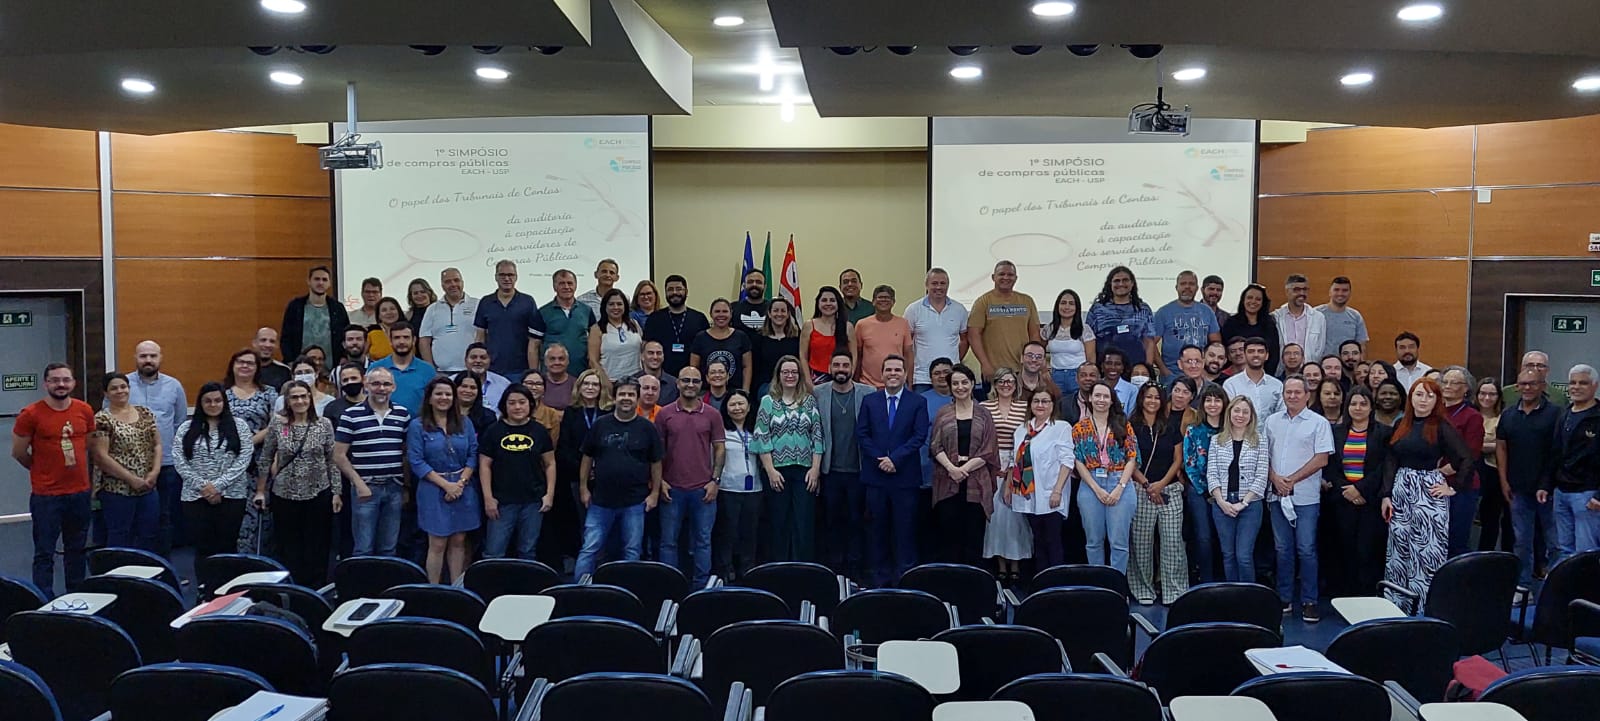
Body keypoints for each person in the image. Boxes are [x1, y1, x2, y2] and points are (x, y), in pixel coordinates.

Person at [1379, 377, 1469, 606]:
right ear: (1411, 398)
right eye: (1419, 394)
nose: (1424, 400)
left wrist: (1453, 487)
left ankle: (1423, 605)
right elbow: (1391, 459)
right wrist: (1386, 494)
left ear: (1437, 400)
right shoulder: (1401, 424)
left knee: (1426, 550)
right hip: (1401, 490)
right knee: (1399, 546)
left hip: (1428, 491)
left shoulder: (1442, 426)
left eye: (1430, 396)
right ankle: (1396, 602)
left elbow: (1466, 458)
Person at [12, 364, 95, 595]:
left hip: (79, 492)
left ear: (73, 383)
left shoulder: (85, 410)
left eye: (66, 380)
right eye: (55, 380)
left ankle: (76, 594)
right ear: (46, 384)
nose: (61, 384)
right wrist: (42, 469)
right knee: (44, 552)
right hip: (47, 496)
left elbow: (88, 443)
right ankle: (43, 598)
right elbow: (19, 452)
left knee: (77, 549)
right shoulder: (31, 414)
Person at [255, 380, 341, 587]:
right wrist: (260, 491)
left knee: (317, 545)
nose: (300, 401)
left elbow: (332, 460)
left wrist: (337, 492)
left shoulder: (324, 424)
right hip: (285, 493)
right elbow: (266, 458)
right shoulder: (278, 425)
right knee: (288, 546)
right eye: (294, 397)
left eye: (304, 396)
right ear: (287, 401)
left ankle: (316, 589)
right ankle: (293, 588)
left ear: (310, 398)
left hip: (318, 491)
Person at [855, 354, 930, 585]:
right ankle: (879, 579)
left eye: (898, 370)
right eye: (889, 370)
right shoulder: (870, 401)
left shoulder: (917, 402)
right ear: (882, 373)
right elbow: (862, 434)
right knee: (876, 530)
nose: (893, 374)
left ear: (905, 374)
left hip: (904, 477)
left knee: (904, 530)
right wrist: (880, 459)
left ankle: (905, 578)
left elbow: (919, 436)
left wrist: (894, 459)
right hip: (876, 477)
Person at [576, 379, 664, 577]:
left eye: (631, 395)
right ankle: (579, 589)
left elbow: (656, 462)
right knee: (590, 548)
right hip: (600, 501)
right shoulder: (600, 425)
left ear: (637, 398)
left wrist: (655, 493)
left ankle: (627, 590)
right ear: (614, 398)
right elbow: (587, 457)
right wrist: (583, 488)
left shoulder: (647, 428)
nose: (626, 398)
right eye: (622, 394)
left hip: (635, 501)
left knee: (632, 551)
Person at [1265, 375, 1335, 622]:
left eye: (1297, 392)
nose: (1292, 396)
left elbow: (1322, 458)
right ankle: (1284, 597)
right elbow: (1264, 455)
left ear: (1307, 395)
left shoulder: (1319, 423)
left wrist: (1292, 480)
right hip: (1276, 495)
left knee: (1306, 549)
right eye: (1288, 392)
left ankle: (1309, 601)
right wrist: (1275, 478)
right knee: (1282, 549)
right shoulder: (1272, 421)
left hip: (1305, 497)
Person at [656, 367, 726, 586]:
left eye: (695, 381)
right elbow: (656, 452)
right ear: (677, 383)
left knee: (703, 542)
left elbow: (720, 449)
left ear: (701, 384)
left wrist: (715, 481)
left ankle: (701, 588)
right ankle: (669, 586)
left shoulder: (712, 414)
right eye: (685, 380)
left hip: (703, 489)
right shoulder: (664, 414)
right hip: (671, 488)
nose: (690, 385)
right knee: (668, 542)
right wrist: (660, 482)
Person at [407, 377, 480, 584]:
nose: (444, 398)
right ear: (429, 398)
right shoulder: (417, 426)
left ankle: (456, 588)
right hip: (433, 488)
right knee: (437, 543)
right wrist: (447, 486)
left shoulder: (465, 423)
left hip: (463, 487)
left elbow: (473, 454)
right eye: (438, 393)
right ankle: (433, 588)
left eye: (448, 394)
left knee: (459, 540)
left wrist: (460, 484)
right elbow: (416, 461)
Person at [754, 356, 826, 563]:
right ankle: (779, 566)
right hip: (777, 471)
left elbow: (817, 436)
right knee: (779, 521)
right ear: (778, 375)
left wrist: (815, 469)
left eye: (794, 372)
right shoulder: (768, 402)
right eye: (785, 372)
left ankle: (802, 567)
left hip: (805, 471)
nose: (790, 376)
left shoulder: (809, 401)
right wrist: (770, 470)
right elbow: (761, 436)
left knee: (804, 522)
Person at [334, 367, 411, 557]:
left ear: (393, 387)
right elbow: (339, 455)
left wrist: (406, 487)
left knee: (389, 548)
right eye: (376, 384)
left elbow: (405, 453)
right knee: (363, 548)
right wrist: (359, 484)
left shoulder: (402, 414)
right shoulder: (351, 414)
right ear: (366, 385)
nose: (381, 388)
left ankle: (386, 578)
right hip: (365, 489)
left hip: (394, 488)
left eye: (386, 384)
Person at [174, 382, 254, 565]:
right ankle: (204, 583)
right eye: (208, 401)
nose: (213, 404)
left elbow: (244, 458)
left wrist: (218, 486)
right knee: (203, 548)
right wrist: (204, 487)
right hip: (195, 496)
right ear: (200, 403)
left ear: (224, 402)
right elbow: (179, 460)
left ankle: (228, 583)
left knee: (227, 546)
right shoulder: (186, 428)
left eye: (218, 400)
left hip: (232, 495)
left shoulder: (239, 426)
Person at [930, 364, 999, 567]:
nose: (960, 387)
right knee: (949, 538)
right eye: (955, 383)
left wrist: (964, 469)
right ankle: (951, 581)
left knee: (973, 538)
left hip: (975, 481)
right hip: (948, 481)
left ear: (972, 384)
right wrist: (952, 469)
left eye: (964, 382)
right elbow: (935, 445)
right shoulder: (943, 413)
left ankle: (972, 581)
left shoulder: (984, 414)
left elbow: (989, 449)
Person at [1325, 386, 1391, 596]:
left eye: (1363, 403)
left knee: (1367, 551)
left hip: (1369, 501)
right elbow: (1330, 465)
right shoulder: (1335, 432)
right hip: (1342, 499)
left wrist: (1360, 489)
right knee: (1344, 550)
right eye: (1353, 403)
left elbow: (1384, 467)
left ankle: (1367, 596)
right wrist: (1347, 490)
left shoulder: (1384, 433)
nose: (1358, 408)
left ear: (1371, 407)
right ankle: (1344, 596)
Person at [123, 341, 188, 556]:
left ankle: (162, 564)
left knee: (164, 516)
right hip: (131, 465)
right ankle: (135, 564)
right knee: (133, 517)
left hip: (166, 463)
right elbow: (110, 419)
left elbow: (179, 422)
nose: (148, 360)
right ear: (135, 358)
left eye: (152, 356)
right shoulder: (123, 385)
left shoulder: (174, 386)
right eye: (143, 356)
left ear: (160, 358)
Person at [478, 386, 556, 561]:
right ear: (504, 406)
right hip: (501, 502)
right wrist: (488, 498)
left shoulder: (539, 431)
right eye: (512, 403)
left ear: (530, 404)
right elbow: (484, 465)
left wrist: (549, 495)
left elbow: (550, 463)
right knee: (494, 552)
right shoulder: (493, 431)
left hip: (533, 501)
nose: (517, 407)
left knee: (528, 550)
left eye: (522, 402)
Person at [813, 350, 873, 578]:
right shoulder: (818, 393)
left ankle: (855, 568)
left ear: (852, 368)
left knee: (857, 520)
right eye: (836, 365)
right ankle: (834, 568)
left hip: (858, 470)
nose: (841, 369)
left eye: (845, 365)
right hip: (830, 471)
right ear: (830, 368)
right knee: (832, 521)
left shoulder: (867, 393)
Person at [1128, 382, 1189, 604]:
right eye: (1148, 397)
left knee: (1172, 542)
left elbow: (1178, 459)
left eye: (1156, 397)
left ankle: (1174, 590)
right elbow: (1128, 460)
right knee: (1141, 542)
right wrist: (1147, 485)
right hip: (1140, 489)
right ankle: (1143, 588)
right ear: (1141, 399)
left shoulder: (1170, 426)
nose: (1152, 401)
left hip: (1169, 489)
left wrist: (1161, 485)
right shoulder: (1131, 426)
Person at [1498, 369, 1560, 585]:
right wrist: (1504, 481)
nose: (1527, 388)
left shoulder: (1555, 414)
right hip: (1517, 488)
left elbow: (1557, 452)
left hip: (1549, 490)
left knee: (1554, 542)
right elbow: (1501, 447)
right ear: (1517, 387)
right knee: (1522, 541)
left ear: (1543, 386)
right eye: (1523, 384)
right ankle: (1522, 586)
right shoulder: (1508, 414)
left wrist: (1547, 483)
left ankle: (1555, 589)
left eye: (1532, 383)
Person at [90, 373, 161, 552]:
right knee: (120, 536)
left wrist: (154, 472)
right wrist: (131, 479)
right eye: (114, 388)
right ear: (106, 393)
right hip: (117, 490)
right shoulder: (102, 419)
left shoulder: (145, 413)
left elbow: (157, 445)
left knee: (149, 535)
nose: (120, 391)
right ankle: (119, 570)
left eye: (123, 386)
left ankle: (145, 569)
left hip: (148, 486)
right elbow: (101, 457)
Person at [1071, 381, 1137, 572]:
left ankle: (1117, 584)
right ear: (1090, 398)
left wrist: (1120, 488)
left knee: (1119, 543)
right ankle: (1098, 584)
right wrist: (1096, 489)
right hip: (1091, 484)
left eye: (1106, 396)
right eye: (1097, 395)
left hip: (1120, 481)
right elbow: (1078, 461)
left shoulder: (1123, 425)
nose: (1101, 400)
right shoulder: (1079, 427)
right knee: (1093, 541)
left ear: (1112, 400)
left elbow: (1132, 458)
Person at [1208, 396, 1270, 583]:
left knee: (1243, 555)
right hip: (1222, 504)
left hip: (1250, 505)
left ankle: (1248, 595)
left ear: (1251, 416)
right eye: (1236, 410)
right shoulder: (1217, 440)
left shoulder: (1259, 440)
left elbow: (1262, 475)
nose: (1240, 415)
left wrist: (1243, 503)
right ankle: (1232, 595)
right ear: (1229, 413)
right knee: (1228, 555)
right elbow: (1212, 473)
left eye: (1245, 412)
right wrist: (1221, 502)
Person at [555, 370, 612, 566]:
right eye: (586, 384)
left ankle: (602, 564)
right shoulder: (572, 413)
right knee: (582, 522)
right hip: (576, 477)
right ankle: (583, 565)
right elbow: (564, 447)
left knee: (603, 523)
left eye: (595, 384)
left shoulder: (608, 412)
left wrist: (599, 469)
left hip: (605, 478)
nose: (590, 388)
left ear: (601, 388)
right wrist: (584, 471)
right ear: (578, 388)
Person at [982, 368, 1033, 583]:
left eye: (1010, 381)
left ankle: (1016, 564)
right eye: (1001, 381)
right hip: (989, 465)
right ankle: (1001, 565)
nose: (1006, 385)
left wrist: (1012, 469)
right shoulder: (984, 407)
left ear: (1016, 384)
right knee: (995, 519)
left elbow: (1026, 440)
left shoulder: (1024, 407)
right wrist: (993, 466)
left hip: (1018, 465)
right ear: (994, 384)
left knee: (1015, 518)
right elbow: (982, 439)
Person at [1544, 364, 1600, 558]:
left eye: (1583, 383)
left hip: (1588, 494)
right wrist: (1546, 485)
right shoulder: (1564, 414)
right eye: (1573, 383)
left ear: (1595, 386)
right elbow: (1555, 453)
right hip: (1561, 492)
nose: (1576, 387)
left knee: (1586, 552)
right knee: (1563, 550)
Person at [1437, 367, 1486, 557]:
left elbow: (1472, 453)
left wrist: (1447, 469)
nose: (1447, 386)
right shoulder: (1435, 412)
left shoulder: (1472, 416)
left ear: (1466, 389)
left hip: (1461, 485)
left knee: (1456, 540)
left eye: (1454, 382)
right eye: (1445, 382)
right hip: (1435, 484)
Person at [715, 390, 763, 580]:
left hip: (754, 489)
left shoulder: (756, 430)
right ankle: (725, 569)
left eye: (741, 404)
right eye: (732, 404)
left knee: (750, 532)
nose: (737, 408)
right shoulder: (721, 432)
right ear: (726, 408)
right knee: (727, 532)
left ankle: (748, 569)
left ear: (749, 407)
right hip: (728, 488)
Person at [969, 260, 1042, 385]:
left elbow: (1034, 334)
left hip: (1022, 370)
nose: (1006, 278)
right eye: (1002, 274)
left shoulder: (1027, 301)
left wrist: (1033, 363)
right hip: (994, 371)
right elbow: (973, 335)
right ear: (993, 277)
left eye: (1010, 275)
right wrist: (985, 364)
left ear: (1016, 278)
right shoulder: (983, 302)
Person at [1182, 380, 1226, 584]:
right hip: (1199, 491)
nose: (1213, 405)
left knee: (1224, 537)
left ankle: (1224, 578)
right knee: (1203, 537)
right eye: (1208, 400)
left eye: (1217, 400)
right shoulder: (1193, 430)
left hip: (1227, 491)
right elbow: (1189, 464)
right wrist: (1206, 490)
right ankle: (1206, 581)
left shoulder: (1230, 429)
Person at [475, 260, 547, 378]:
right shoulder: (485, 302)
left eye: (510, 275)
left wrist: (533, 373)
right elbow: (480, 338)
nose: (507, 279)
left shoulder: (527, 302)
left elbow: (534, 342)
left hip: (520, 370)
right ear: (496, 277)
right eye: (502, 275)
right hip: (492, 369)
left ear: (516, 277)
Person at [906, 268, 969, 393]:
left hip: (951, 376)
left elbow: (964, 340)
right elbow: (907, 345)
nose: (939, 287)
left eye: (942, 283)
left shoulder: (959, 309)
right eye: (934, 283)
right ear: (926, 285)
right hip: (922, 377)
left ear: (948, 285)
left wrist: (954, 360)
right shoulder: (913, 310)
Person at [1153, 271, 1222, 380]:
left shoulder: (1207, 311)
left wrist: (1206, 370)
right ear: (1177, 287)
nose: (1187, 287)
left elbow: (1216, 344)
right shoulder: (1163, 312)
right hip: (1172, 376)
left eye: (1191, 284)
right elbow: (1151, 344)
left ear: (1197, 288)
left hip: (1200, 375)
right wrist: (1164, 370)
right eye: (1183, 284)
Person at [1086, 266, 1158, 371]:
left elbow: (1149, 342)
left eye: (1125, 280)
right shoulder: (1098, 309)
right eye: (1116, 281)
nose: (1121, 284)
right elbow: (1089, 341)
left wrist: (1148, 369)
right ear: (1110, 284)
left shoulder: (1143, 309)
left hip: (1135, 367)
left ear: (1132, 283)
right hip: (1105, 367)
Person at [642, 275, 710, 378]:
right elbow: (645, 348)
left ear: (686, 291)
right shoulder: (654, 319)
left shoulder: (699, 318)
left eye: (678, 289)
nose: (674, 292)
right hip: (660, 377)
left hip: (691, 378)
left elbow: (706, 349)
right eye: (670, 289)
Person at [282, 265, 352, 364]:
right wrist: (290, 360)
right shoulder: (295, 306)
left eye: (324, 280)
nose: (320, 283)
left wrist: (344, 356)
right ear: (309, 281)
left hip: (331, 365)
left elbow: (346, 335)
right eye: (317, 279)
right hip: (301, 365)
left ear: (329, 283)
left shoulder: (338, 308)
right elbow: (286, 336)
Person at [1474, 377, 1512, 552]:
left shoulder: (1504, 417)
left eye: (1492, 394)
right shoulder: (1471, 414)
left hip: (1496, 472)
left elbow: (1506, 445)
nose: (1487, 398)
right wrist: (1490, 445)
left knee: (1494, 518)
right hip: (1472, 472)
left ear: (1499, 397)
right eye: (1483, 393)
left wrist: (1480, 446)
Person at [418, 267, 478, 373]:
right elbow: (424, 340)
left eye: (456, 280)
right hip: (442, 373)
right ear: (442, 285)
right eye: (448, 282)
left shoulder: (477, 304)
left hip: (471, 371)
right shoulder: (432, 309)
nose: (453, 284)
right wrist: (431, 369)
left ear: (462, 282)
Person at [854, 285, 915, 389]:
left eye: (887, 298)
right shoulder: (862, 325)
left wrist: (909, 382)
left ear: (893, 302)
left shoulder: (903, 323)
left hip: (896, 383)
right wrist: (855, 381)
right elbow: (858, 356)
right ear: (873, 301)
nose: (883, 300)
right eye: (880, 297)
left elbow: (908, 355)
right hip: (867, 384)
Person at [368, 322, 436, 415]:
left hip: (418, 423)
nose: (401, 342)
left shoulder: (428, 370)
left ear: (414, 340)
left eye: (406, 337)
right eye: (397, 338)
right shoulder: (375, 368)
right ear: (390, 341)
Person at [690, 298, 754, 393]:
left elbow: (747, 366)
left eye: (725, 311)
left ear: (731, 314)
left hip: (734, 392)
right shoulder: (700, 337)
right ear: (711, 314)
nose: (721, 315)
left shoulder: (741, 336)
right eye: (717, 311)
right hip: (706, 392)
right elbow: (694, 367)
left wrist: (745, 391)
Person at [542, 269, 597, 374]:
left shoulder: (587, 311)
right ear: (554, 286)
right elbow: (534, 345)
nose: (566, 287)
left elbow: (595, 340)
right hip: (552, 375)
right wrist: (535, 373)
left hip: (581, 372)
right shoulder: (542, 312)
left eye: (570, 283)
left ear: (576, 285)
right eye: (561, 283)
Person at [1043, 289, 1096, 396]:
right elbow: (1038, 351)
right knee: (1058, 405)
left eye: (1071, 304)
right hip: (1056, 376)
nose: (1067, 307)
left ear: (1077, 308)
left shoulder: (1084, 329)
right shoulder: (1049, 329)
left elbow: (1091, 359)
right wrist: (1044, 372)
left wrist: (1088, 377)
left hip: (1078, 376)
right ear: (1057, 306)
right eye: (1063, 303)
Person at [1221, 284, 1282, 375]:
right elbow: (1226, 350)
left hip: (1264, 375)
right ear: (1243, 300)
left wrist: (1265, 376)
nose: (1253, 301)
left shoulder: (1269, 324)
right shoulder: (1231, 323)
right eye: (1249, 298)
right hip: (1235, 375)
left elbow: (1274, 354)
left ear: (1263, 302)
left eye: (1258, 299)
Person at [799, 286, 855, 386]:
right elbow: (803, 356)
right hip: (815, 379)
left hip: (841, 376)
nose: (828, 303)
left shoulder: (848, 327)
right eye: (824, 300)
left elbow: (854, 356)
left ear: (838, 304)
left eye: (832, 300)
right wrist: (808, 381)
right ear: (818, 303)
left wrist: (849, 377)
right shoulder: (809, 325)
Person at [224, 349, 278, 452]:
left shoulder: (269, 392)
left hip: (260, 450)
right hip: (226, 450)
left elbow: (276, 424)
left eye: (250, 363)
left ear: (257, 368)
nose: (245, 365)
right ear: (232, 365)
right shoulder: (221, 393)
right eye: (240, 362)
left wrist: (249, 443)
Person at [588, 288, 643, 384]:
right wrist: (606, 383)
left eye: (619, 304)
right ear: (605, 306)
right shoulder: (597, 329)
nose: (615, 307)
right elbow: (593, 361)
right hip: (611, 381)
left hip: (636, 380)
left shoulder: (634, 324)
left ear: (625, 306)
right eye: (611, 304)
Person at [1223, 337, 1285, 418]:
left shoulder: (1277, 385)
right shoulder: (1231, 384)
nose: (1256, 355)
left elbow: (1282, 414)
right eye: (1251, 351)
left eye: (1260, 351)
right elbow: (1229, 415)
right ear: (1244, 355)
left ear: (1267, 356)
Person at [1272, 274, 1328, 364]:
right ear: (1287, 291)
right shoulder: (1276, 317)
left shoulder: (1318, 318)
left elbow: (1320, 348)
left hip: (1308, 368)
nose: (1301, 293)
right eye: (1297, 289)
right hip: (1282, 369)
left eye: (1305, 289)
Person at [752, 298, 801, 396]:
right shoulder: (758, 338)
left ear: (788, 314)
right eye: (775, 310)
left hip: (792, 383)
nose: (779, 314)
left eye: (783, 311)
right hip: (766, 385)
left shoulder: (797, 338)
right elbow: (755, 367)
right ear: (769, 314)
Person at [1316, 276, 1369, 355]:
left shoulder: (1356, 316)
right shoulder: (1316, 313)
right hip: (1321, 361)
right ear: (1330, 292)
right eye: (1336, 290)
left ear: (1350, 293)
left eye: (1345, 290)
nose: (1340, 294)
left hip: (1347, 361)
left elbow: (1362, 345)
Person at [1500, 350, 1569, 408]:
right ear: (1522, 368)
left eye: (1540, 366)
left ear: (1547, 370)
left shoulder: (1558, 397)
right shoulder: (1506, 393)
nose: (1535, 369)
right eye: (1530, 365)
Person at [462, 343, 511, 417]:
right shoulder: (453, 382)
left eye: (483, 358)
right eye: (473, 357)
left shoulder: (504, 384)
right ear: (465, 360)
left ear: (490, 360)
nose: (478, 361)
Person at [634, 341, 680, 405]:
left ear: (663, 357)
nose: (655, 357)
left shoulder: (674, 384)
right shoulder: (633, 382)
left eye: (659, 353)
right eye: (650, 353)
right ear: (642, 356)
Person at [363, 297, 406, 362]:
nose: (389, 312)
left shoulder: (407, 330)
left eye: (392, 309)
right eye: (384, 310)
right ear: (379, 315)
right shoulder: (371, 331)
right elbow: (362, 355)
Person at [454, 373, 496, 437]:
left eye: (473, 388)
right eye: (464, 386)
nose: (468, 391)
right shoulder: (444, 413)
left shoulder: (488, 417)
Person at [1100, 347, 1140, 413]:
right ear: (1102, 366)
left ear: (1123, 368)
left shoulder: (1132, 389)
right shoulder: (1095, 387)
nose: (1113, 367)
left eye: (1117, 364)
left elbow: (1131, 416)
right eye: (1108, 363)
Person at [731, 269, 769, 334]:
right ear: (744, 286)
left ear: (765, 287)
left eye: (758, 282)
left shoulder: (772, 308)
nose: (754, 284)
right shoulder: (733, 308)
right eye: (750, 282)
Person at [541, 344, 577, 411]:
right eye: (552, 359)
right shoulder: (538, 382)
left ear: (568, 361)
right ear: (545, 362)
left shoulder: (576, 384)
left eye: (561, 359)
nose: (557, 362)